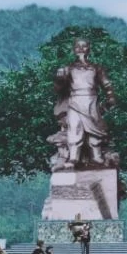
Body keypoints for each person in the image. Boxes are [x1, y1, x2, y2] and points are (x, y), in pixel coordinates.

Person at [53, 38, 116, 169]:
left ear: (89, 49)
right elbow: (59, 89)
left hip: (91, 101)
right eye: (78, 46)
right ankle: (73, 157)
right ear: (74, 49)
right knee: (74, 128)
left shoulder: (96, 68)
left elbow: (107, 84)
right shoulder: (68, 69)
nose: (81, 49)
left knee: (95, 129)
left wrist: (110, 97)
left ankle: (96, 156)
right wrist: (59, 79)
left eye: (84, 46)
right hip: (75, 102)